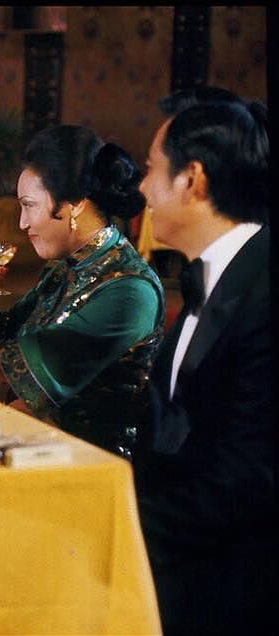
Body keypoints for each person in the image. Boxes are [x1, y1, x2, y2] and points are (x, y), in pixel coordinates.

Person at [0, 125, 163, 458]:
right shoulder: (65, 269)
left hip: (94, 461)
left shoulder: (128, 290)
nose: (22, 223)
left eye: (29, 206)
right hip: (37, 442)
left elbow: (10, 365)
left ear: (74, 203)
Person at [132, 89, 274, 635]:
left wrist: (121, 526)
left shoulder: (263, 288)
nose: (142, 187)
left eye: (152, 168)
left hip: (233, 585)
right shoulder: (212, 277)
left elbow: (251, 476)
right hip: (184, 558)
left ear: (192, 179)